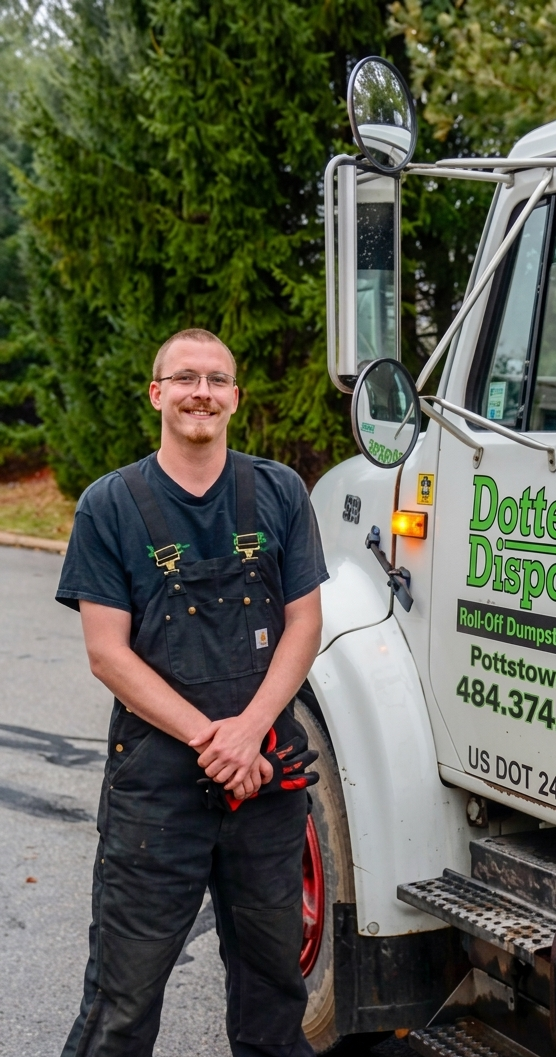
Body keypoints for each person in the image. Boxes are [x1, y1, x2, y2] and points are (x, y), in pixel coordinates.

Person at [56, 328, 329, 1057]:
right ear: (158, 393)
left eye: (216, 379)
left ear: (236, 398)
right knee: (123, 999)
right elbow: (107, 653)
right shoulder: (109, 505)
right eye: (185, 378)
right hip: (158, 793)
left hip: (267, 784)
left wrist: (251, 731)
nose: (201, 391)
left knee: (276, 995)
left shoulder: (278, 492)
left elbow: (305, 623)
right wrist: (218, 739)